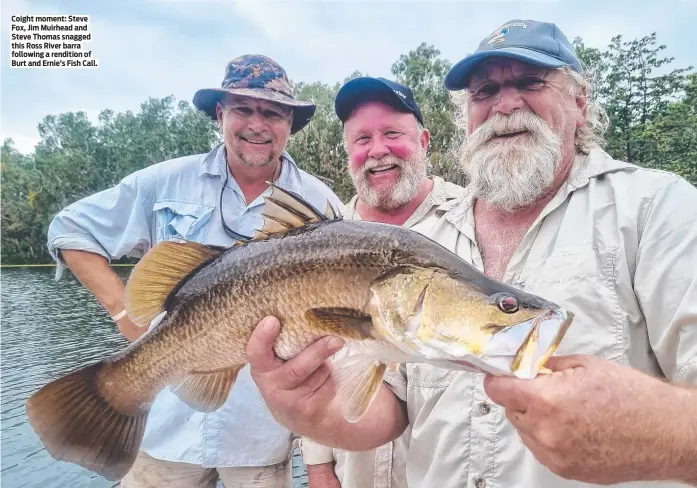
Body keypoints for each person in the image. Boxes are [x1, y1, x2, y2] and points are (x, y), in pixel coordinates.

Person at [244, 20, 697, 487]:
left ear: (580, 103)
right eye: (484, 92)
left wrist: (662, 429)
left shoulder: (657, 210)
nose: (505, 104)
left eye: (530, 81)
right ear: (468, 116)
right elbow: (392, 409)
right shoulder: (421, 240)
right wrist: (315, 411)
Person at [46, 54, 342, 488]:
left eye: (273, 112)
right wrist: (124, 314)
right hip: (165, 430)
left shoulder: (322, 203)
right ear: (221, 114)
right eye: (243, 108)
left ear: (289, 124)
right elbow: (71, 229)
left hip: (260, 435)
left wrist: (318, 459)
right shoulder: (166, 182)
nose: (257, 123)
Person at [299, 76, 465, 488]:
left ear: (425, 141)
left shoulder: (472, 221)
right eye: (361, 139)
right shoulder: (315, 241)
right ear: (348, 153)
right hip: (353, 470)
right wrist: (318, 466)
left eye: (393, 133)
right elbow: (305, 359)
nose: (377, 150)